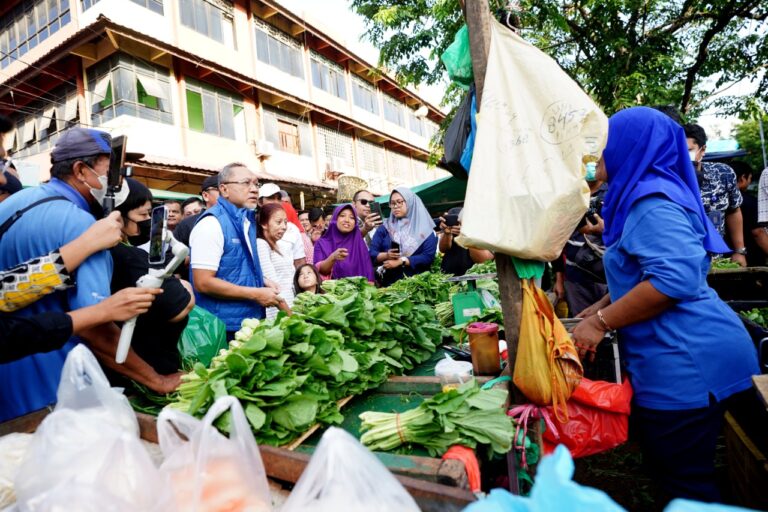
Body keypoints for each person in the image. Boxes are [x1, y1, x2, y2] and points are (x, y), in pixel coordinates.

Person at [572, 107, 760, 503]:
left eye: (605, 145)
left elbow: (674, 279)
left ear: (631, 146)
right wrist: (605, 301)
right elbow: (647, 268)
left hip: (688, 362)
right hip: (687, 354)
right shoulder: (646, 193)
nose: (597, 155)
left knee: (685, 485)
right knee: (679, 472)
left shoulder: (651, 201)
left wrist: (601, 321)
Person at [0, 127, 179, 421]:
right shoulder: (86, 226)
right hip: (53, 393)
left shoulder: (13, 204)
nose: (120, 182)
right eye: (113, 172)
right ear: (81, 170)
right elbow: (96, 326)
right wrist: (158, 380)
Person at [1, 212, 161, 363]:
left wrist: (87, 243)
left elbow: (6, 287)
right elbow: (11, 335)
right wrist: (103, 311)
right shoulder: (77, 221)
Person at [111, 178, 195, 375]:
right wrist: (184, 285)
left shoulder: (118, 252)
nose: (148, 220)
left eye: (150, 214)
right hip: (148, 369)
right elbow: (181, 307)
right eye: (142, 214)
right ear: (117, 214)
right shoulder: (128, 257)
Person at [189, 163, 281, 338]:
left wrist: (261, 280)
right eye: (246, 183)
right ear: (224, 189)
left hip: (248, 321)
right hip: (223, 326)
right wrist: (255, 294)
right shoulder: (211, 224)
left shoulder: (245, 220)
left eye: (256, 184)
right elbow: (203, 282)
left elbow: (233, 267)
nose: (254, 189)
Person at [684, 123, 746, 266]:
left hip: (716, 261)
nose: (683, 156)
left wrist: (739, 251)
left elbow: (734, 210)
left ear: (702, 150)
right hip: (681, 263)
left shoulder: (723, 174)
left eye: (688, 151)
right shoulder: (667, 178)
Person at [369, 187, 437, 286]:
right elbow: (372, 254)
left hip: (418, 285)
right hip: (389, 287)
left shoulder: (425, 229)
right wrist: (386, 255)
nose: (395, 206)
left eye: (399, 202)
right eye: (392, 203)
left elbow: (428, 257)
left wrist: (402, 261)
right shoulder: (384, 228)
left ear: (410, 202)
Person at [313, 203, 376, 281]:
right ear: (335, 219)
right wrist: (333, 257)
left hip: (361, 290)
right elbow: (320, 271)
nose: (347, 220)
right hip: (333, 291)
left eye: (352, 217)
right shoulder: (321, 243)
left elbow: (368, 269)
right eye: (342, 216)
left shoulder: (357, 240)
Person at [256, 203, 294, 320]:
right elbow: (275, 288)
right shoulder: (261, 244)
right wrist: (291, 317)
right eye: (278, 222)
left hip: (288, 307)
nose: (284, 226)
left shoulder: (279, 245)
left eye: (285, 222)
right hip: (277, 313)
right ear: (264, 224)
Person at [258, 183, 306, 268]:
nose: (276, 202)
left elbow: (299, 263)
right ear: (260, 202)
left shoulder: (292, 229)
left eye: (279, 199)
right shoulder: (252, 227)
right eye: (271, 198)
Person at [438, 207, 493, 276]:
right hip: (448, 276)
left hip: (473, 279)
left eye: (460, 221)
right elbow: (443, 249)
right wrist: (447, 233)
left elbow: (484, 261)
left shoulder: (481, 231)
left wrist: (466, 236)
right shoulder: (450, 232)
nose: (457, 223)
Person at [732, 162, 768, 266]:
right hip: (749, 258)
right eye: (750, 178)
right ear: (743, 178)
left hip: (725, 257)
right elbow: (758, 232)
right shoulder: (749, 202)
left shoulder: (720, 202)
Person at [174, 175, 220, 247]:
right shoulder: (187, 224)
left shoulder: (236, 220)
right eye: (220, 189)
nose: (226, 193)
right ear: (205, 196)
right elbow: (171, 253)